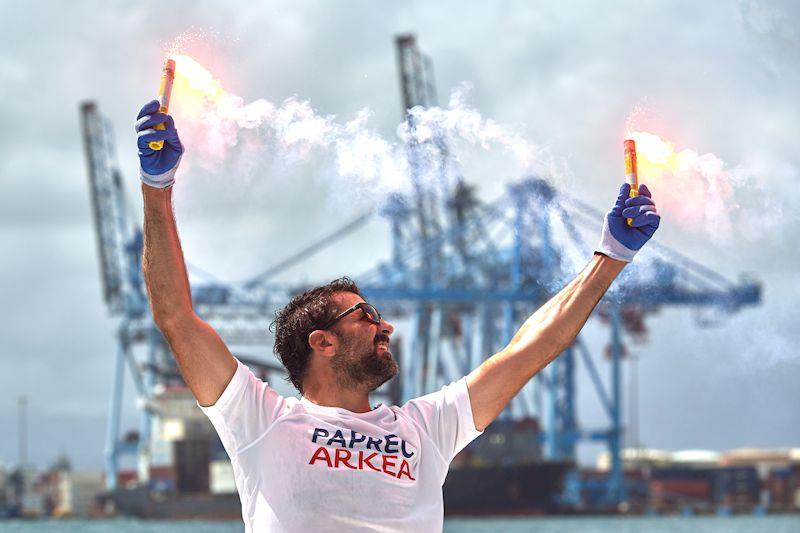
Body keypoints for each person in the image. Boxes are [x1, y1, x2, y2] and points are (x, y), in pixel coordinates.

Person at [135, 99, 660, 532]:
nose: (385, 325)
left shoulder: (425, 427)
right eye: (364, 316)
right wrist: (156, 190)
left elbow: (529, 352)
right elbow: (176, 318)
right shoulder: (261, 419)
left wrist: (610, 256)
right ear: (322, 342)